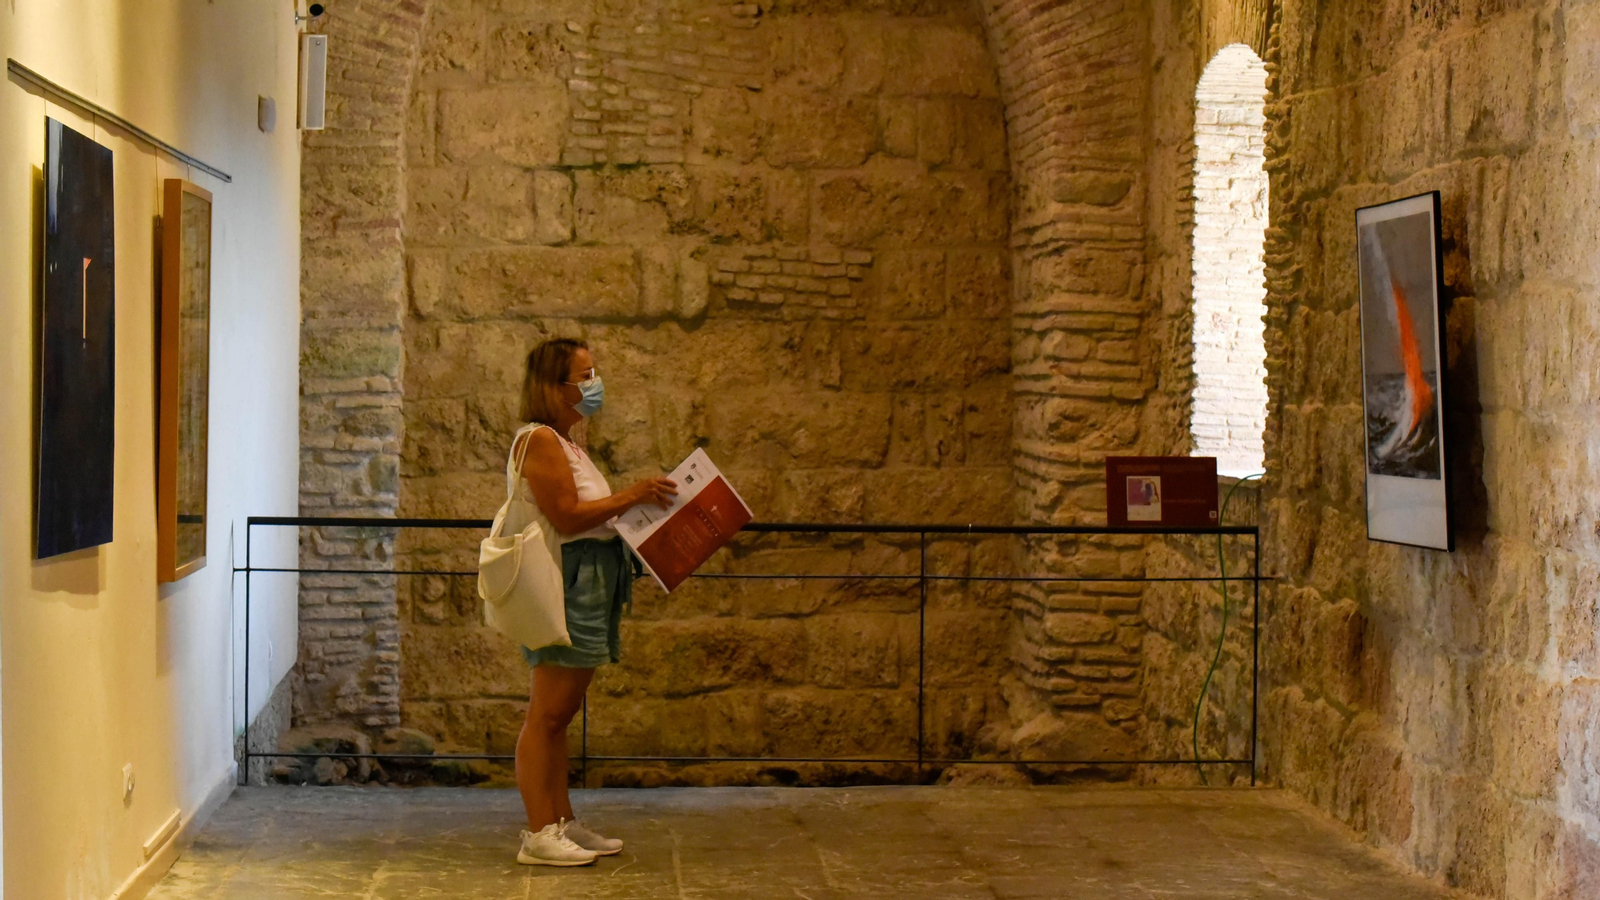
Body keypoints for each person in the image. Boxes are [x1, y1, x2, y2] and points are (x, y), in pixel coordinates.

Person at [503, 338, 676, 866]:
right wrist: (635, 495)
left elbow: (590, 513)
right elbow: (569, 516)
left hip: (591, 577)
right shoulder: (539, 440)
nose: (595, 382)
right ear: (555, 387)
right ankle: (538, 834)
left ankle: (562, 821)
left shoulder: (567, 440)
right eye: (586, 374)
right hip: (568, 579)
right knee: (547, 714)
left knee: (562, 714)